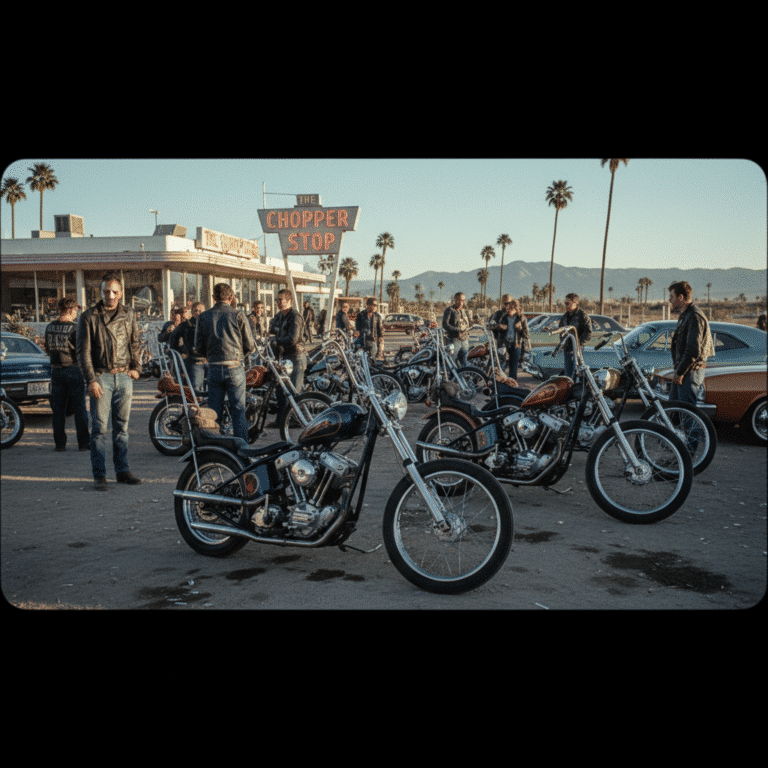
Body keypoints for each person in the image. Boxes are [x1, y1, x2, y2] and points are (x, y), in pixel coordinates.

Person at [77, 273, 142, 490]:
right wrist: (91, 380)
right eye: (107, 291)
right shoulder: (89, 317)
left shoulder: (130, 314)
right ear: (101, 292)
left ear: (121, 293)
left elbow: (135, 342)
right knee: (99, 429)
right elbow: (83, 353)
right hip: (101, 378)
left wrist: (136, 368)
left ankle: (122, 471)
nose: (111, 296)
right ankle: (100, 475)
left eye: (115, 292)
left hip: (124, 378)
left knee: (122, 428)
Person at [194, 283, 255, 441]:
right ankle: (242, 449)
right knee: (238, 411)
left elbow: (198, 347)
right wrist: (240, 357)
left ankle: (216, 449)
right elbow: (250, 345)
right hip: (234, 367)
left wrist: (211, 355)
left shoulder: (203, 316)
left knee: (214, 413)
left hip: (213, 368)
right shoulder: (238, 315)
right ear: (232, 297)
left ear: (214, 298)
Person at [45, 296, 89, 452]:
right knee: (80, 408)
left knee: (58, 410)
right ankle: (83, 443)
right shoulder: (76, 328)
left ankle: (60, 444)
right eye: (76, 310)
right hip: (73, 369)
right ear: (71, 310)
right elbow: (81, 351)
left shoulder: (49, 327)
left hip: (55, 370)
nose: (77, 312)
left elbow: (48, 349)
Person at [668, 280, 714, 405]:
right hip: (684, 370)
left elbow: (693, 349)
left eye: (672, 296)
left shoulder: (694, 316)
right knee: (674, 410)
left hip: (691, 371)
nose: (669, 300)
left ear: (681, 297)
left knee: (688, 413)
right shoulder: (685, 315)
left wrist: (680, 372)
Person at [268, 288, 306, 426]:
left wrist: (276, 341)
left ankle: (295, 419)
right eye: (277, 300)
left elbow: (293, 339)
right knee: (280, 390)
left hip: (295, 356)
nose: (278, 303)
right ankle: (281, 420)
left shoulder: (295, 316)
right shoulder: (279, 316)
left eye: (280, 300)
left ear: (289, 300)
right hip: (284, 357)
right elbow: (273, 333)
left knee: (294, 390)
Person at [169, 301, 206, 393]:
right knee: (195, 391)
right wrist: (181, 352)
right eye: (196, 311)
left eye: (201, 311)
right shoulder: (186, 325)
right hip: (195, 361)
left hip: (210, 360)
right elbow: (173, 338)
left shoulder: (209, 323)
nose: (198, 313)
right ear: (192, 312)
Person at [557, 293, 591, 379]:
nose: (566, 305)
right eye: (565, 303)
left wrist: (577, 344)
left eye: (568, 303)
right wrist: (563, 343)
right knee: (568, 375)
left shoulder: (583, 316)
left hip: (578, 351)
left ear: (575, 303)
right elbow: (561, 330)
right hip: (567, 349)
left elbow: (588, 333)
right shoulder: (565, 316)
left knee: (577, 374)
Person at [494, 298, 530, 380]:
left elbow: (526, 335)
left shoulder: (521, 318)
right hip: (504, 344)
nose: (509, 310)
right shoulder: (504, 317)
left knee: (513, 367)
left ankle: (512, 385)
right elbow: (496, 328)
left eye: (511, 308)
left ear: (516, 309)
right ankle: (501, 384)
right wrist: (500, 327)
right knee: (501, 366)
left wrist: (520, 329)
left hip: (516, 344)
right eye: (508, 308)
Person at [442, 292, 471, 367]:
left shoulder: (465, 311)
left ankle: (463, 377)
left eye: (463, 300)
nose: (461, 302)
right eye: (459, 300)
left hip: (465, 340)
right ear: (455, 299)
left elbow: (469, 323)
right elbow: (445, 324)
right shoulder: (450, 310)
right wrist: (457, 330)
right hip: (454, 340)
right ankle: (451, 377)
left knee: (464, 362)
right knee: (451, 362)